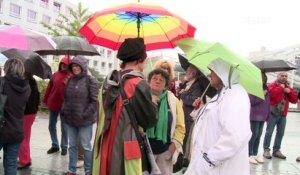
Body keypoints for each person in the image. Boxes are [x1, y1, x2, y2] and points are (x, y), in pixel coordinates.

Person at [92, 38, 158, 175]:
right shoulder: (138, 84)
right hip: (125, 149)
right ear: (140, 59)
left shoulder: (108, 82)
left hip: (105, 143)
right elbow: (150, 121)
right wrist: (152, 102)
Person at [184, 58, 251, 175]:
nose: (209, 74)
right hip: (208, 165)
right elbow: (213, 123)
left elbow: (235, 135)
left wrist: (210, 158)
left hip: (220, 167)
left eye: (213, 71)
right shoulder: (221, 94)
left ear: (222, 71)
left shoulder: (235, 94)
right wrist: (200, 109)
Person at [61, 56, 99, 175]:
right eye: (73, 66)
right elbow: (66, 99)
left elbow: (94, 102)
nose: (75, 68)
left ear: (83, 66)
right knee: (72, 146)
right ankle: (72, 170)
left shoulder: (91, 80)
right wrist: (64, 110)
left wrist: (84, 114)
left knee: (86, 146)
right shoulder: (70, 80)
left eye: (77, 66)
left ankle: (88, 171)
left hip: (84, 121)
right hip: (70, 120)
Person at [146, 68, 185, 175]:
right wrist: (149, 102)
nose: (157, 81)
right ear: (149, 81)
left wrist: (173, 147)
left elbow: (180, 127)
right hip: (144, 151)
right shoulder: (142, 97)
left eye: (161, 80)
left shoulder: (173, 100)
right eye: (154, 78)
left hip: (165, 152)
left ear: (166, 85)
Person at [0, 58, 31, 175]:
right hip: (17, 131)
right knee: (11, 164)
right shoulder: (27, 87)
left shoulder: (2, 82)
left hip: (2, 129)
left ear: (7, 69)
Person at [263, 71, 298, 159]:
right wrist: (281, 88)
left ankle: (276, 150)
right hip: (272, 113)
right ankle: (266, 150)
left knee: (280, 133)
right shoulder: (272, 85)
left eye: (286, 76)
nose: (284, 77)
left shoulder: (288, 87)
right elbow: (271, 95)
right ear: (278, 76)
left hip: (283, 114)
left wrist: (289, 91)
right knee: (269, 132)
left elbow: (294, 100)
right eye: (282, 75)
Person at [43, 56, 72, 156]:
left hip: (65, 106)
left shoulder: (71, 77)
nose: (64, 66)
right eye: (62, 64)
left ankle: (64, 146)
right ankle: (55, 145)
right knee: (51, 126)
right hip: (53, 104)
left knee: (64, 127)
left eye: (66, 64)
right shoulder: (55, 75)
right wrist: (45, 99)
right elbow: (49, 89)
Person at [17, 72, 40, 169]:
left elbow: (22, 99)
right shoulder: (33, 81)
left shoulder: (25, 83)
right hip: (31, 113)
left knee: (22, 138)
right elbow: (38, 97)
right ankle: (26, 158)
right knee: (26, 137)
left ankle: (24, 161)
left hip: (25, 113)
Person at [248, 72, 271, 165]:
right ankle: (248, 154)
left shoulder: (266, 88)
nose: (262, 80)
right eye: (261, 78)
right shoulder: (252, 87)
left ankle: (255, 153)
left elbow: (268, 102)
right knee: (253, 134)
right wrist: (261, 95)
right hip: (254, 115)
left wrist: (268, 113)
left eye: (264, 78)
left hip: (263, 115)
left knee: (259, 134)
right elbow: (251, 101)